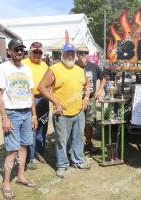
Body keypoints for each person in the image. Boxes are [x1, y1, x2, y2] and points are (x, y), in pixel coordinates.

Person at [38, 43, 91, 178]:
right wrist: (56, 102)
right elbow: (42, 87)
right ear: (62, 54)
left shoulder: (79, 70)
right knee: (61, 140)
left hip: (78, 111)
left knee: (79, 138)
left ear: (75, 55)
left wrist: (86, 98)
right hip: (61, 113)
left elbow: (88, 84)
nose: (70, 55)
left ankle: (78, 161)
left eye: (72, 53)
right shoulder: (54, 69)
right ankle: (62, 165)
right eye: (67, 53)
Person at [0, 39, 38, 199]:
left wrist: (34, 114)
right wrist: (4, 117)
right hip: (11, 114)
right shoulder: (2, 68)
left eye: (21, 49)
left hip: (26, 113)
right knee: (12, 150)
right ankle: (6, 183)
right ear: (9, 51)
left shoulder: (26, 69)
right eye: (16, 49)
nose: (19, 52)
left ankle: (20, 177)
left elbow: (31, 93)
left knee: (24, 146)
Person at [22, 42, 49, 170]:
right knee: (32, 128)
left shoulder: (44, 65)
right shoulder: (24, 64)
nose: (37, 54)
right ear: (30, 52)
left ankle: (40, 152)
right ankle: (30, 158)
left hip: (44, 100)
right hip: (30, 100)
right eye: (35, 52)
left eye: (40, 52)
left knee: (43, 126)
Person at [75, 44, 106, 152]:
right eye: (80, 52)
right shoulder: (72, 67)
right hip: (76, 100)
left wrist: (100, 90)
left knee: (89, 123)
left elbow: (103, 78)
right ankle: (76, 145)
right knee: (77, 123)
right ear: (76, 54)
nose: (83, 55)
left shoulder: (94, 66)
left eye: (85, 52)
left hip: (91, 99)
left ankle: (88, 143)